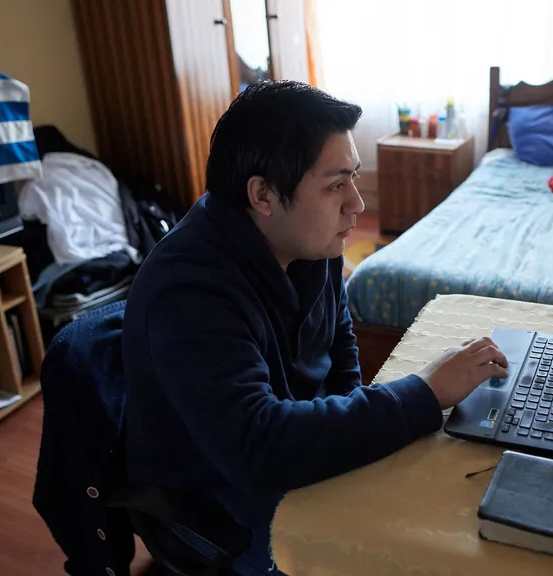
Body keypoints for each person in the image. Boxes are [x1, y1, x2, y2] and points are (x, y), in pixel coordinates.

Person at [121, 81, 508, 575]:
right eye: (334, 184)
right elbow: (257, 451)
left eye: (354, 178)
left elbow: (339, 339)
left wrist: (356, 426)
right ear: (262, 194)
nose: (357, 205)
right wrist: (424, 393)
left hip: (286, 451)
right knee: (400, 550)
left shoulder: (307, 240)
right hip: (214, 492)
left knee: (447, 488)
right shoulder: (190, 293)